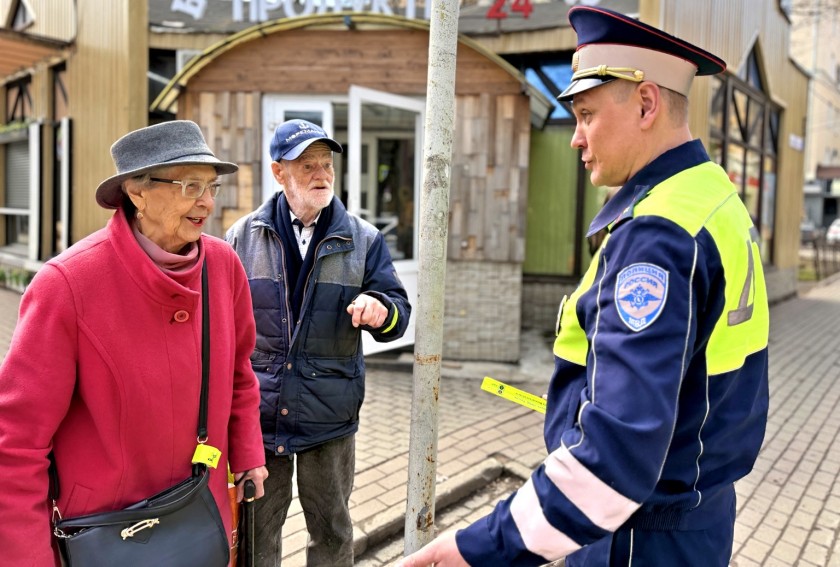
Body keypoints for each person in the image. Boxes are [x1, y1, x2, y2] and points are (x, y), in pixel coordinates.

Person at [399, 6, 769, 567]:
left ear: (645, 104)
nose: (575, 138)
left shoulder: (656, 236)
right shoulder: (711, 197)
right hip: (696, 513)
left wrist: (474, 549)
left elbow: (612, 460)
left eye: (587, 114)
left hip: (635, 536)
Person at [0, 120, 269, 566]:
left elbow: (239, 374)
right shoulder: (68, 284)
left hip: (201, 514)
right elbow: (16, 443)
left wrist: (248, 454)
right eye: (189, 185)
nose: (206, 202)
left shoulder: (223, 266)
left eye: (211, 186)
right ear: (136, 192)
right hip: (109, 533)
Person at [225, 119, 411, 566]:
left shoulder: (364, 240)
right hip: (262, 420)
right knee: (256, 537)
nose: (321, 174)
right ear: (278, 172)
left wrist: (382, 310)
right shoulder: (241, 238)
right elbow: (221, 330)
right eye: (307, 165)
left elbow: (398, 311)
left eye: (326, 164)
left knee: (331, 533)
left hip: (329, 419)